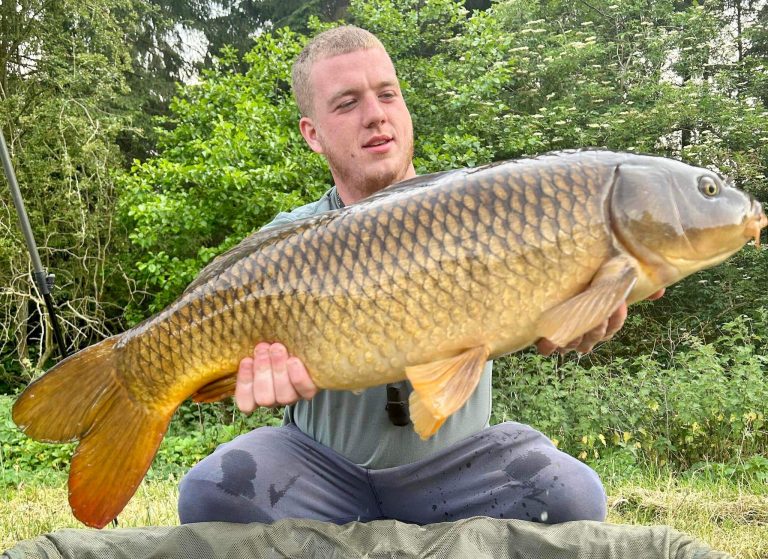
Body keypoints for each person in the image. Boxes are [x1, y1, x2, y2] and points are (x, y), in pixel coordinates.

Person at [177, 25, 663, 526]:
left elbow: (557, 318)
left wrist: (576, 320)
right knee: (211, 495)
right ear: (312, 133)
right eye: (347, 103)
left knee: (571, 498)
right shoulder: (286, 241)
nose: (376, 115)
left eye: (387, 94)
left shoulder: (482, 205)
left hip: (459, 468)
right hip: (319, 470)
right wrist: (245, 374)